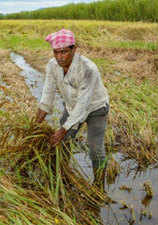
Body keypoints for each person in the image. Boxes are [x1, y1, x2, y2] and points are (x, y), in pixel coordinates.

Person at [35, 29, 110, 189]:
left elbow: (84, 104)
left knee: (95, 148)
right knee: (62, 143)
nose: (60, 57)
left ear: (74, 49)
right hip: (72, 106)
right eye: (56, 52)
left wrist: (64, 129)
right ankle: (62, 174)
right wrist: (38, 119)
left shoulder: (88, 69)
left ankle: (98, 185)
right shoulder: (52, 65)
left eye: (64, 52)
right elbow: (48, 92)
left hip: (96, 108)